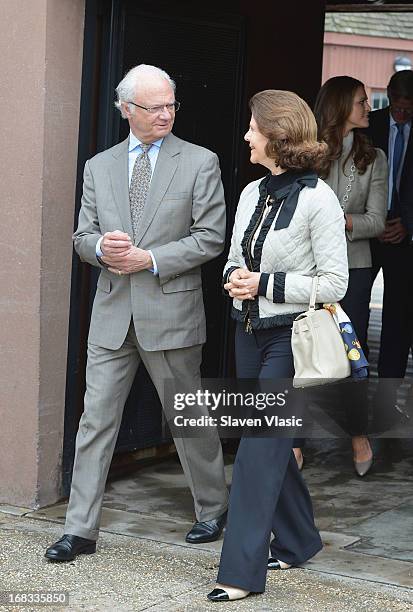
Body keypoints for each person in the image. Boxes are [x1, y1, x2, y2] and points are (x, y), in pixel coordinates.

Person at [45, 64, 228, 562]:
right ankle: (80, 529)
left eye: (171, 104)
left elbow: (211, 238)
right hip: (111, 315)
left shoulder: (199, 161)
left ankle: (213, 508)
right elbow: (81, 238)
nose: (166, 114)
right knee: (95, 422)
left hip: (171, 312)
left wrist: (149, 258)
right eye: (154, 107)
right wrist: (101, 247)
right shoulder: (98, 166)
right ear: (126, 110)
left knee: (187, 417)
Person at [207, 89, 349, 602]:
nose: (246, 134)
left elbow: (335, 283)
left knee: (255, 451)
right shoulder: (251, 193)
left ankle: (240, 572)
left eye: (252, 127)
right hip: (249, 332)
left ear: (276, 134)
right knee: (267, 445)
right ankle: (297, 540)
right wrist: (236, 280)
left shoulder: (319, 199)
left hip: (293, 338)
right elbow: (232, 258)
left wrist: (263, 284)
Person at [312, 76, 388, 476]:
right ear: (341, 105)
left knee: (350, 353)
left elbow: (376, 220)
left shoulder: (374, 156)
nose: (368, 107)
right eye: (362, 101)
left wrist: (340, 220)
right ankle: (292, 444)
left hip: (354, 271)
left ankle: (358, 434)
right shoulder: (308, 150)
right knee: (295, 351)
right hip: (306, 269)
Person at [365, 71, 413, 387]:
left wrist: (409, 225)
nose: (403, 113)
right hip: (366, 232)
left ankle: (387, 397)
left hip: (405, 235)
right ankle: (345, 392)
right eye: (398, 106)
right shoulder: (369, 124)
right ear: (390, 95)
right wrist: (372, 219)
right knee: (349, 310)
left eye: (409, 109)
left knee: (399, 318)